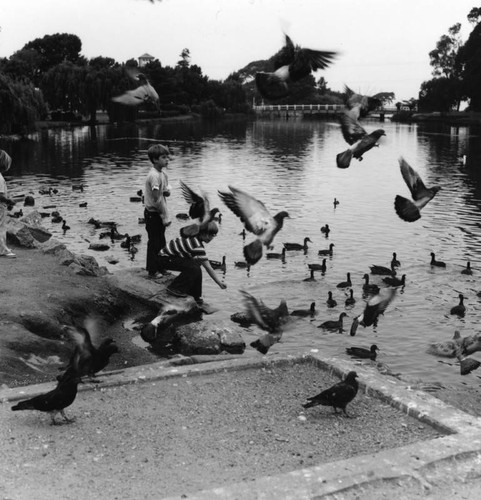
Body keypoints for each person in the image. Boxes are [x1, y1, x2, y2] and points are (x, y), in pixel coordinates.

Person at [157, 221, 226, 305]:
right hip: (164, 258)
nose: (211, 238)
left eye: (213, 235)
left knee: (196, 265)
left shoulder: (194, 237)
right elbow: (208, 268)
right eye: (209, 235)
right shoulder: (196, 245)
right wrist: (219, 283)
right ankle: (175, 288)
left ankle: (196, 296)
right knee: (193, 267)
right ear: (202, 233)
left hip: (171, 257)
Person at [144, 144, 172, 278]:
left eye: (168, 157)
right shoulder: (154, 176)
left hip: (159, 212)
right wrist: (165, 216)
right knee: (154, 242)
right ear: (155, 160)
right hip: (153, 214)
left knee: (161, 241)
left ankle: (162, 267)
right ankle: (152, 270)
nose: (167, 160)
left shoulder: (162, 174)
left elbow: (164, 192)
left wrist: (166, 191)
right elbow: (156, 198)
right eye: (164, 157)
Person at [0, 150, 16, 258]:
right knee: (1, 228)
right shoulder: (0, 178)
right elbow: (0, 195)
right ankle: (3, 250)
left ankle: (3, 247)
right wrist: (9, 201)